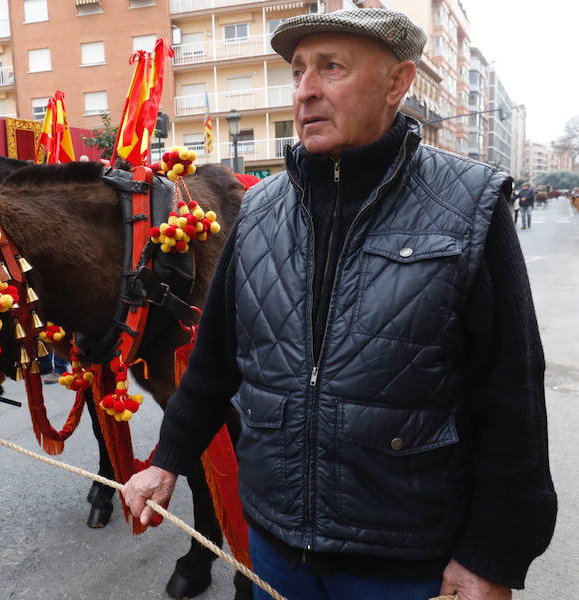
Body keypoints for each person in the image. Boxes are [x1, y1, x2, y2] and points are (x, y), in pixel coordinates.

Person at [122, 8, 555, 600]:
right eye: (299, 71)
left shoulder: (470, 205)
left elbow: (512, 396)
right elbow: (214, 363)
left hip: (406, 561)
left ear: (398, 83)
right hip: (276, 548)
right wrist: (165, 460)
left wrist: (492, 555)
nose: (305, 90)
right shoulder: (260, 209)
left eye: (332, 68)